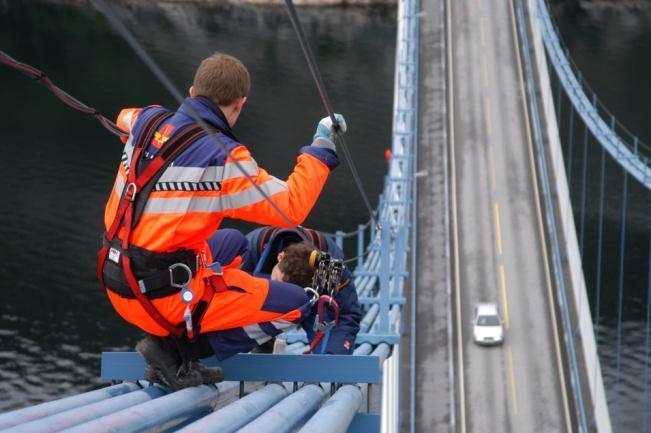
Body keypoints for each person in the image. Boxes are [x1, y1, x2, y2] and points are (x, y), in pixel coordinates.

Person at [97, 52, 347, 389]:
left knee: (234, 242)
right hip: (158, 300)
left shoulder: (147, 121)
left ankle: (178, 331)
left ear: (191, 92)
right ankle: (176, 352)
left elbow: (124, 118)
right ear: (240, 104)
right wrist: (322, 143)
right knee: (298, 304)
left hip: (115, 277)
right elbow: (291, 207)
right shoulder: (224, 160)